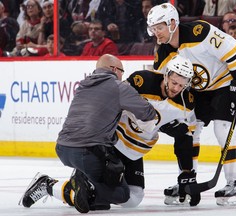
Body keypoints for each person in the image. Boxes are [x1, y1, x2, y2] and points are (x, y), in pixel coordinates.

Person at [19, 54, 200, 210]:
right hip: (114, 143)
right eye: (174, 82)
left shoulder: (187, 101)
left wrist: (187, 174)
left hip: (136, 152)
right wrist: (164, 124)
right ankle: (57, 186)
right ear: (166, 74)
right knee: (109, 197)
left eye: (181, 86)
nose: (176, 88)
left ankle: (69, 185)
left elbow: (186, 136)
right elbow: (124, 106)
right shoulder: (142, 80)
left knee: (133, 199)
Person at [147, 3, 236, 206]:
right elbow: (162, 85)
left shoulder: (200, 31)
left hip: (225, 84)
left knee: (223, 126)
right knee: (188, 130)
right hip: (197, 91)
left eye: (158, 27)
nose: (155, 33)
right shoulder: (162, 53)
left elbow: (234, 51)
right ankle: (187, 178)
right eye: (153, 29)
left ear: (171, 23)